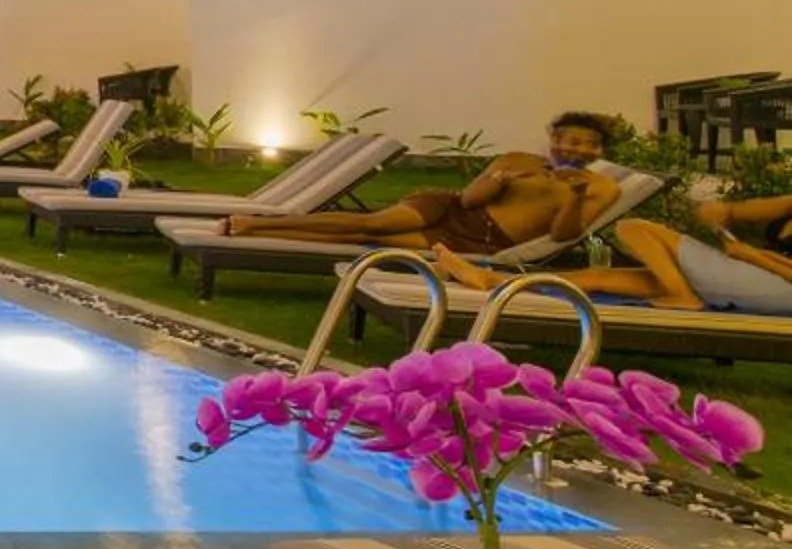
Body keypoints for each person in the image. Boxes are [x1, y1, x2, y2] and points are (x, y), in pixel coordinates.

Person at [222, 113, 620, 256]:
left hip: (485, 243)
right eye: (571, 140)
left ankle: (260, 229)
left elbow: (564, 234)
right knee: (374, 225)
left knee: (364, 242)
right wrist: (500, 179)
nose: (578, 149)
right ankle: (254, 224)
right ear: (554, 140)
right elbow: (467, 199)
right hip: (450, 209)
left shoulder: (601, 188)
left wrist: (576, 194)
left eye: (590, 144)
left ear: (600, 149)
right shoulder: (519, 160)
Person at [438, 193, 792, 314]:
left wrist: (752, 256)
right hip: (760, 276)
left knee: (635, 228)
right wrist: (724, 214)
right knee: (599, 278)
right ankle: (494, 280)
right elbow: (738, 211)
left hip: (775, 290)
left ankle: (681, 295)